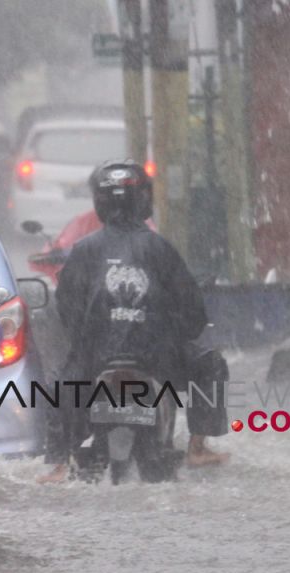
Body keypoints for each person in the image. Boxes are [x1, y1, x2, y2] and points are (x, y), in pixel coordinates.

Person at [42, 159, 229, 483]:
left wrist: (88, 338)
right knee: (210, 363)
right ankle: (198, 447)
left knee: (59, 380)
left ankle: (60, 461)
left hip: (97, 358)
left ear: (99, 202)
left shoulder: (84, 250)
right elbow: (193, 312)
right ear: (143, 199)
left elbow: (66, 309)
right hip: (158, 358)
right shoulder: (160, 248)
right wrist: (176, 331)